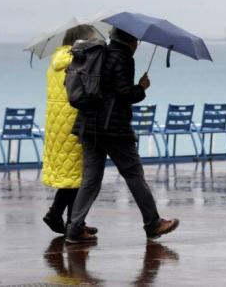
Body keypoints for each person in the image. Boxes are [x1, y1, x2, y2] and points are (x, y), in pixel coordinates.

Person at [66, 27, 179, 243]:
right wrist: (142, 87)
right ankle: (153, 223)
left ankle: (74, 229)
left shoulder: (99, 54)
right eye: (136, 41)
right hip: (113, 128)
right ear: (130, 41)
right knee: (134, 174)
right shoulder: (123, 57)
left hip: (88, 125)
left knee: (90, 180)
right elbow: (124, 94)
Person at [42, 24, 99, 235]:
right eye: (91, 39)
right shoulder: (78, 62)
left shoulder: (55, 61)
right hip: (74, 121)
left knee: (71, 174)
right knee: (79, 175)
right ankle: (68, 220)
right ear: (82, 41)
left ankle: (66, 219)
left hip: (56, 123)